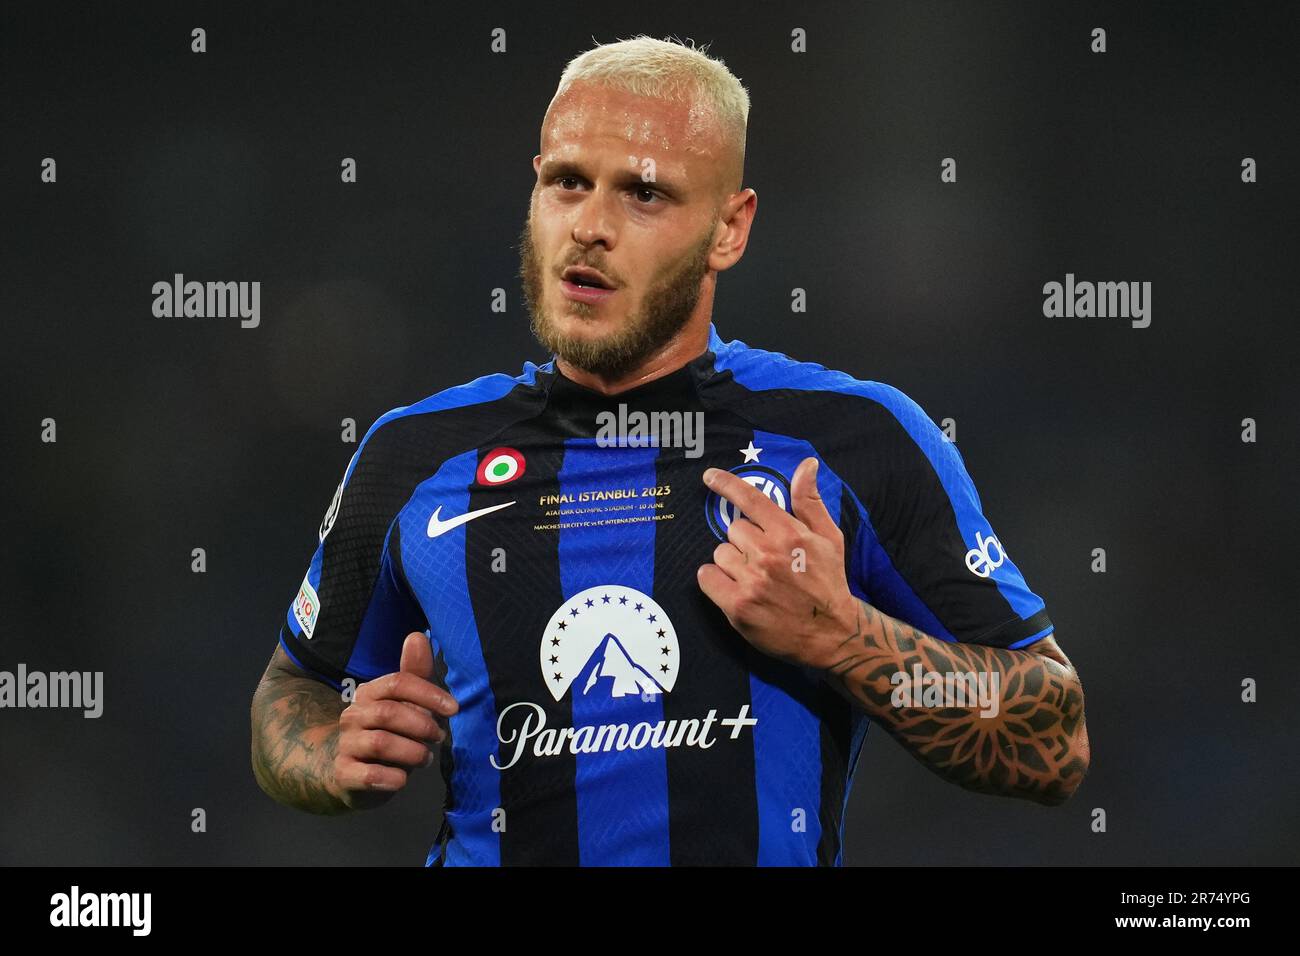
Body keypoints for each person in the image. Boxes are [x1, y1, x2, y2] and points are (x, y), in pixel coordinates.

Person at [250, 35, 1089, 866]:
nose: (590, 227)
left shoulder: (855, 440)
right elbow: (293, 690)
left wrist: (843, 638)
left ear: (730, 229)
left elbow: (1054, 740)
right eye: (567, 182)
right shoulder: (413, 456)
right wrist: (325, 753)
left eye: (644, 195)